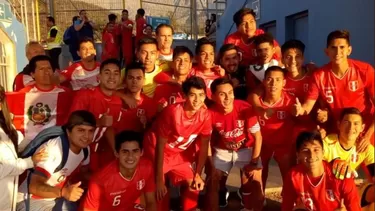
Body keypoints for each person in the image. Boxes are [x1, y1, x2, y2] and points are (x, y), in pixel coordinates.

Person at [294, 30, 375, 150]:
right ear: (326, 51)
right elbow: (307, 106)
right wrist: (300, 110)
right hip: (338, 135)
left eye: (342, 47)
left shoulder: (365, 70)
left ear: (349, 50)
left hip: (364, 133)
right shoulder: (319, 76)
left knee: (370, 168)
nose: (338, 52)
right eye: (333, 48)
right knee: (338, 168)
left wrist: (368, 135)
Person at [143, 76, 212, 211]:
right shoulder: (172, 112)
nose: (197, 100)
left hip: (178, 154)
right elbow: (160, 145)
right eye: (193, 95)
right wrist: (159, 180)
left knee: (194, 185)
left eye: (201, 95)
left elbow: (204, 146)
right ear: (185, 95)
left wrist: (198, 173)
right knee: (160, 192)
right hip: (156, 150)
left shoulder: (206, 115)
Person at [17, 110, 96, 211]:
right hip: (31, 198)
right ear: (68, 132)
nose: (86, 136)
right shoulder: (53, 149)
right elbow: (34, 186)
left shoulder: (85, 149)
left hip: (58, 196)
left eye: (91, 131)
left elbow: (84, 174)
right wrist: (64, 192)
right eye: (81, 130)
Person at [206, 78, 263, 211]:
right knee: (213, 181)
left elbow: (258, 137)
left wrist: (254, 163)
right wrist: (210, 166)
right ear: (213, 96)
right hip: (223, 150)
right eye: (222, 94)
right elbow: (206, 141)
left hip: (246, 148)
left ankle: (251, 207)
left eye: (230, 93)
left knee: (255, 179)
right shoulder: (210, 113)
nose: (227, 98)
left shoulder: (245, 108)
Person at [281, 131, 361, 211]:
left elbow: (355, 208)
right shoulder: (293, 176)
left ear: (323, 152)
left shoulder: (340, 174)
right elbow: (286, 207)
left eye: (316, 150)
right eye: (305, 150)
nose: (311, 155)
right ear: (298, 155)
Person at [69, 58, 123, 171]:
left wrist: (115, 150)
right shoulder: (86, 94)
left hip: (95, 150)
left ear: (119, 78)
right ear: (99, 77)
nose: (112, 77)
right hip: (74, 148)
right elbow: (72, 123)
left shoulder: (117, 101)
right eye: (107, 73)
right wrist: (99, 122)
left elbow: (109, 128)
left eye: (116, 73)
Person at [0, 85, 48, 211]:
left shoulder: (7, 127)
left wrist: (46, 138)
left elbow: (23, 144)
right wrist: (29, 162)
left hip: (7, 198)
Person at [82, 130, 157, 211]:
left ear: (141, 152)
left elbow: (151, 201)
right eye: (125, 152)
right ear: (116, 153)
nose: (130, 157)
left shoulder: (147, 167)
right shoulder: (100, 179)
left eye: (135, 151)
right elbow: (88, 209)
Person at [14, 55, 71, 145]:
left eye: (49, 68)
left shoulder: (65, 93)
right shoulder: (23, 94)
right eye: (41, 69)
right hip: (30, 143)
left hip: (56, 141)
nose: (46, 72)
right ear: (32, 74)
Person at [255, 66, 296, 191]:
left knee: (289, 178)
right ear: (264, 81)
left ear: (284, 83)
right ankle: (259, 202)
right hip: (263, 145)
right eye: (270, 79)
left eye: (278, 80)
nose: (273, 83)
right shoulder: (256, 102)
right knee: (258, 179)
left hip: (284, 146)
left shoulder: (291, 101)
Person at [116, 62, 157, 132]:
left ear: (144, 80)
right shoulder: (116, 94)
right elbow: (103, 90)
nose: (134, 81)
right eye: (130, 78)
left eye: (138, 78)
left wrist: (145, 124)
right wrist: (125, 97)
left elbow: (153, 130)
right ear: (125, 79)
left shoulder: (149, 103)